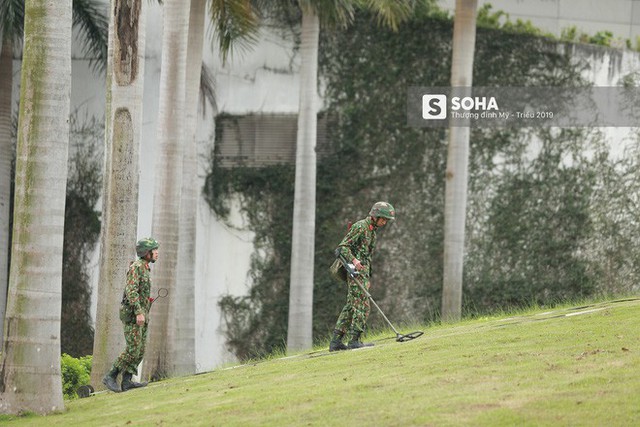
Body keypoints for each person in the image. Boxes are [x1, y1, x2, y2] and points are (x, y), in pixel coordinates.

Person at [329, 202, 395, 351]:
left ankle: (336, 341)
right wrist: (354, 260)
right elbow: (342, 247)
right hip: (354, 273)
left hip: (362, 275)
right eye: (383, 219)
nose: (384, 222)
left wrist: (368, 277)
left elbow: (368, 257)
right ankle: (354, 340)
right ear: (375, 216)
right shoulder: (360, 227)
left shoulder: (372, 231)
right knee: (362, 306)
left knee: (351, 307)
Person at [102, 237, 159, 392]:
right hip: (133, 315)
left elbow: (139, 292)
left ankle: (127, 381)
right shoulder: (136, 267)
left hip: (143, 314)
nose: (157, 253)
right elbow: (131, 291)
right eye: (154, 250)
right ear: (146, 252)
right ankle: (111, 376)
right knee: (133, 349)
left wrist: (146, 304)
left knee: (140, 350)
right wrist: (139, 312)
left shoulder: (146, 267)